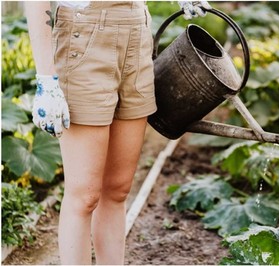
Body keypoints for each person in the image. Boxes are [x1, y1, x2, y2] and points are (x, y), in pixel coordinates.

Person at [24, 1, 211, 264]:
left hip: (137, 31)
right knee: (85, 196)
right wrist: (46, 79)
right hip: (85, 36)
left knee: (118, 190)